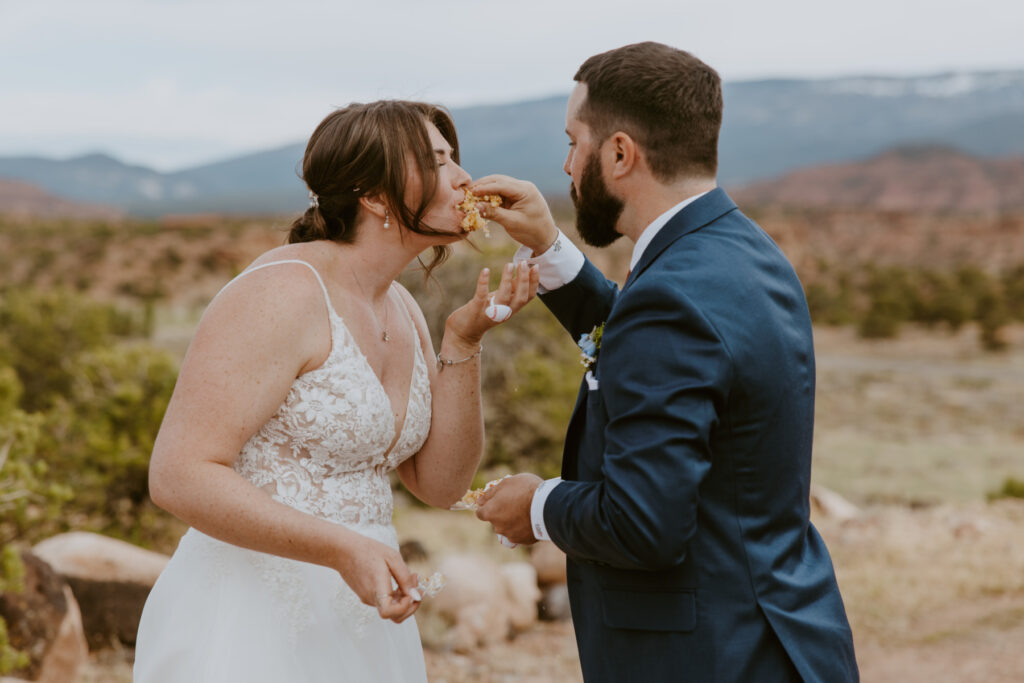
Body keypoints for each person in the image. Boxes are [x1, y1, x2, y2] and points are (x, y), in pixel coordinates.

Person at [473, 42, 859, 682]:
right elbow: (653, 346)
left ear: (620, 154)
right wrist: (548, 246)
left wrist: (537, 505)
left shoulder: (671, 295)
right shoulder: (740, 250)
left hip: (708, 657)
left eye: (574, 142)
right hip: (778, 635)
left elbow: (642, 524)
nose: (566, 166)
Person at [133, 100, 539, 683]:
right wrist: (341, 549)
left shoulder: (401, 306)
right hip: (247, 622)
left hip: (360, 622)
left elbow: (441, 483)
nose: (463, 178)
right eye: (438, 160)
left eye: (456, 159)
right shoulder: (282, 293)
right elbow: (177, 474)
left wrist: (465, 338)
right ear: (375, 197)